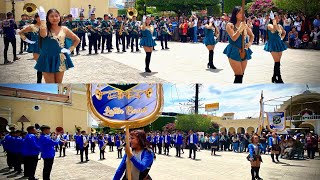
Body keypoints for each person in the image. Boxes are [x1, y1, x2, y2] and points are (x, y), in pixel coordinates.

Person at [35, 7, 80, 83]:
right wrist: (42, 19)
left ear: (60, 17)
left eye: (56, 16)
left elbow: (77, 39)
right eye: (51, 16)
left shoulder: (64, 29)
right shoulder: (44, 28)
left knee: (59, 84)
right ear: (47, 18)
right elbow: (43, 35)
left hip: (60, 59)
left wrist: (69, 50)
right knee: (50, 85)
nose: (54, 18)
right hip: (47, 59)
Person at [223, 6, 254, 83]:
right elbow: (234, 38)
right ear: (235, 13)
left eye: (243, 13)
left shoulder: (245, 25)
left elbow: (252, 35)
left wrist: (249, 43)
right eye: (240, 12)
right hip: (234, 50)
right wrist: (240, 29)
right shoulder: (229, 25)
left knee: (241, 75)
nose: (242, 14)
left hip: (244, 50)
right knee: (238, 75)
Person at [18, 13, 43, 83]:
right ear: (36, 18)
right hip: (36, 48)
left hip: (45, 48)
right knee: (40, 65)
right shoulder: (32, 26)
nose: (41, 19)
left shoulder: (46, 26)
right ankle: (39, 83)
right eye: (39, 17)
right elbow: (20, 32)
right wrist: (27, 40)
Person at [264, 11, 287, 83]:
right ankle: (279, 78)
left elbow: (284, 32)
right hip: (272, 44)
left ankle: (274, 77)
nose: (278, 19)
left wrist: (281, 38)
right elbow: (274, 28)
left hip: (279, 44)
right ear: (272, 18)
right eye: (276, 18)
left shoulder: (280, 26)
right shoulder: (269, 25)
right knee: (277, 61)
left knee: (277, 62)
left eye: (278, 18)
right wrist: (273, 20)